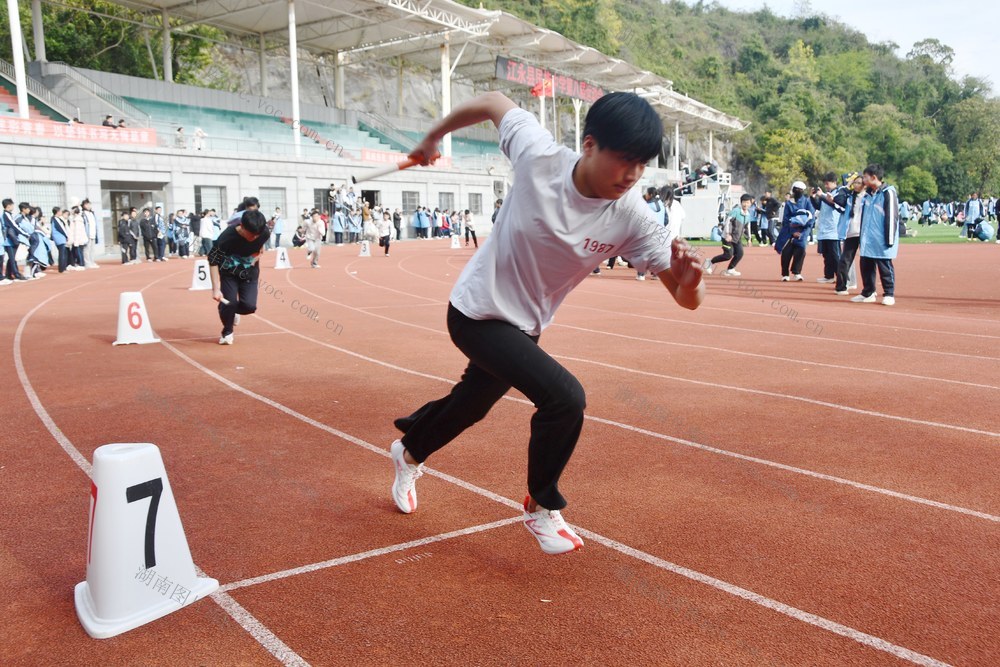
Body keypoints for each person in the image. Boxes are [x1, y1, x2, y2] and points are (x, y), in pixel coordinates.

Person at [388, 91, 705, 555]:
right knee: (565, 397)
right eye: (625, 160)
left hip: (525, 325)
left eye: (642, 164)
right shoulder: (539, 155)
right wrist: (433, 137)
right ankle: (540, 506)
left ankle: (409, 450)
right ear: (591, 145)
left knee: (472, 405)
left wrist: (693, 282)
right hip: (475, 311)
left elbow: (685, 299)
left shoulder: (633, 214)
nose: (633, 175)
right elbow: (494, 101)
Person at [208, 209, 269, 345]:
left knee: (249, 306)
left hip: (250, 273)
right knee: (229, 302)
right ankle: (227, 332)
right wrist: (216, 289)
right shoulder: (226, 238)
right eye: (251, 235)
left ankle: (227, 309)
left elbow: (260, 244)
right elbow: (213, 261)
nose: (254, 238)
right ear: (242, 226)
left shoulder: (263, 233)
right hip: (229, 273)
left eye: (257, 235)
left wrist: (259, 253)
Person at [852, 164, 899, 306]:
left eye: (865, 177)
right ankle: (868, 292)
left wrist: (889, 239)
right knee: (866, 265)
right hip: (868, 238)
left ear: (873, 177)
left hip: (882, 238)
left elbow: (892, 216)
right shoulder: (867, 195)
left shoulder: (888, 193)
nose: (863, 180)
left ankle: (889, 293)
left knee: (884, 266)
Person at [775, 181, 815, 281]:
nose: (799, 191)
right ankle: (785, 274)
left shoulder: (807, 202)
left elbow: (811, 217)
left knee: (800, 251)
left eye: (801, 190)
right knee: (786, 252)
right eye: (796, 189)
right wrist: (793, 231)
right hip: (789, 232)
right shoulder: (788, 204)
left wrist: (802, 233)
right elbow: (786, 219)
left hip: (802, 232)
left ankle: (797, 272)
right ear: (793, 190)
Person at [812, 173, 848, 284]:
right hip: (824, 228)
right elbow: (820, 206)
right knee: (826, 254)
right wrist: (813, 198)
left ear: (834, 182)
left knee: (835, 255)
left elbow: (834, 204)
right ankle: (829, 276)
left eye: (827, 183)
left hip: (834, 229)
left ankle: (841, 278)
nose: (826, 186)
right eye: (825, 184)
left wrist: (822, 196)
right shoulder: (826, 193)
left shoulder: (839, 193)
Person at [705, 193, 752, 276]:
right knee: (728, 255)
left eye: (748, 202)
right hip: (727, 237)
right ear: (741, 202)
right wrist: (727, 234)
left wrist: (749, 239)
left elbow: (747, 227)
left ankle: (730, 269)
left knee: (740, 253)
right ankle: (710, 262)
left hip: (737, 238)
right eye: (744, 202)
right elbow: (728, 223)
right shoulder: (735, 211)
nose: (746, 204)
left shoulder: (748, 214)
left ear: (750, 203)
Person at [834, 172, 863, 295]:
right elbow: (838, 199)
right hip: (851, 233)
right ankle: (842, 286)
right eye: (855, 182)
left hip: (864, 233)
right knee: (845, 260)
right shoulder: (849, 196)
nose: (857, 185)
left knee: (868, 261)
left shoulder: (869, 197)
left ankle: (869, 289)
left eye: (860, 183)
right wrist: (847, 186)